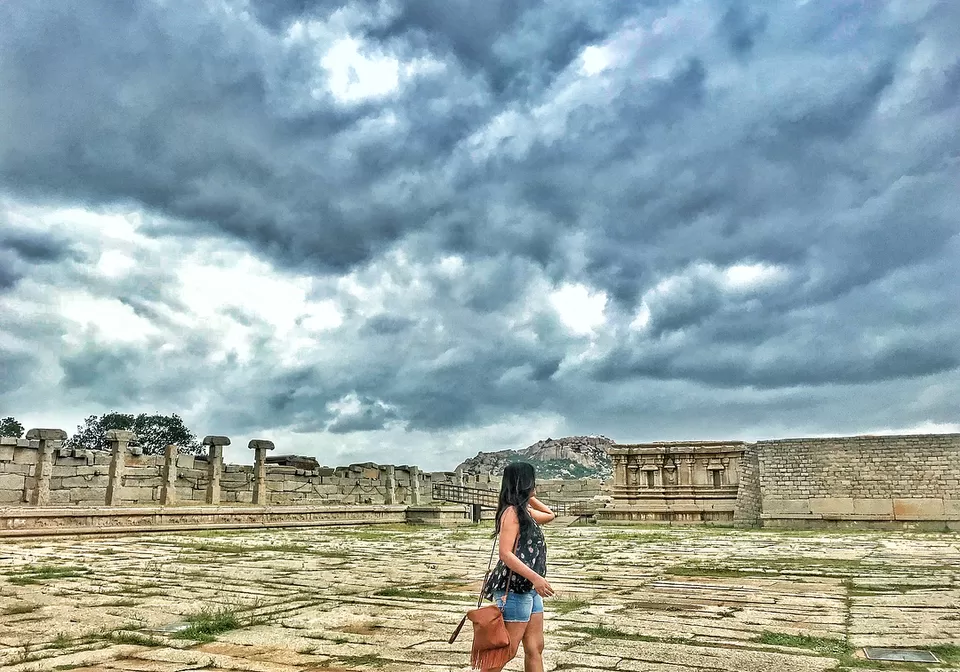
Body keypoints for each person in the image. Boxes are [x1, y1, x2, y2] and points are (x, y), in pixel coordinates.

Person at [480, 462, 556, 671]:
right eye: (531, 480)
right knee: (507, 650)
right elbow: (505, 554)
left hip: (529, 590)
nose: (535, 484)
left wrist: (529, 496)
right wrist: (536, 578)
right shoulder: (511, 513)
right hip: (514, 589)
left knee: (535, 646)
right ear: (524, 482)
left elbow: (550, 515)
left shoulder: (525, 511)